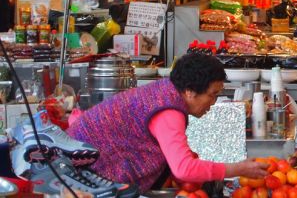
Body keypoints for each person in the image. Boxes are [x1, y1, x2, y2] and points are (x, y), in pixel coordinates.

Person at [67, 54, 269, 192]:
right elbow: (183, 169)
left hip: (80, 162)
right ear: (190, 91)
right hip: (83, 174)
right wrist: (237, 169)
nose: (213, 102)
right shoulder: (167, 111)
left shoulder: (166, 92)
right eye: (212, 95)